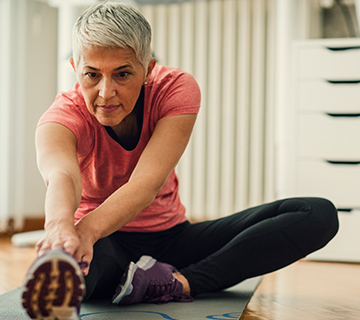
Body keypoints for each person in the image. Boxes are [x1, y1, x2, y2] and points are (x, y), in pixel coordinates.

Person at [21, 2, 339, 320]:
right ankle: (95, 280)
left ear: (148, 68)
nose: (106, 92)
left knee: (317, 214)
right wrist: (61, 229)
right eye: (92, 75)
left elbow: (146, 184)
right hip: (106, 244)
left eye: (122, 74)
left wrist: (84, 232)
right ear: (76, 66)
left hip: (173, 240)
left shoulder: (175, 89)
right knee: (81, 268)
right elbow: (62, 175)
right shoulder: (61, 117)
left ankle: (177, 283)